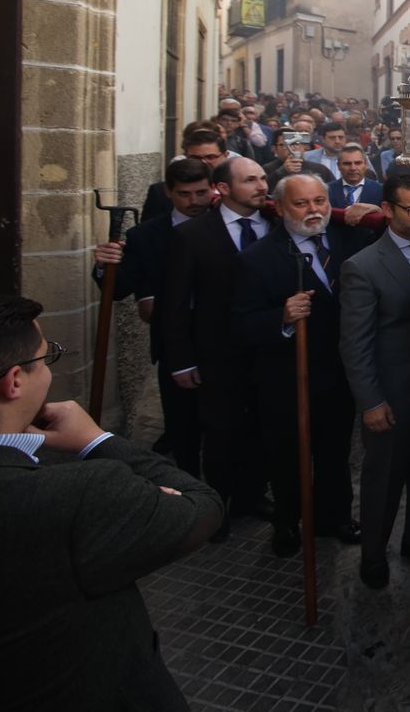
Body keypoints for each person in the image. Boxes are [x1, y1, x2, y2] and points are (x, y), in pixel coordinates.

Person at [0, 294, 223, 711]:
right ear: (14, 382)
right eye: (46, 358)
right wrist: (96, 440)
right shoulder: (80, 494)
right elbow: (202, 507)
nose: (49, 368)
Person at [230, 174, 361, 555]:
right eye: (301, 204)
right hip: (286, 379)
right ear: (280, 208)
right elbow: (239, 326)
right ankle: (287, 521)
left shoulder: (348, 240)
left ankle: (333, 516)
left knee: (335, 452)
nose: (313, 210)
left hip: (337, 373)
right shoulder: (257, 258)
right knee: (286, 455)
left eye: (320, 201)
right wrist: (282, 318)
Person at [340, 174, 410, 589]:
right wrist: (370, 402)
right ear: (387, 210)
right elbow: (355, 344)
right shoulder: (363, 266)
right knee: (383, 480)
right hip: (391, 396)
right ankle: (373, 555)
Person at [161, 156, 273, 538]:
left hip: (267, 351)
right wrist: (180, 361)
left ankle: (252, 495)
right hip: (217, 354)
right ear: (222, 189)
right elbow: (175, 304)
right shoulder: (192, 235)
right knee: (221, 434)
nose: (261, 186)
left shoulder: (277, 225)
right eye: (250, 180)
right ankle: (217, 505)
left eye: (263, 178)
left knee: (261, 429)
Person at [91, 157, 213, 474]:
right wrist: (104, 266)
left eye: (201, 193)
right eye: (185, 194)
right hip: (173, 344)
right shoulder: (146, 236)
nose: (194, 201)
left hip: (223, 340)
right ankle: (189, 484)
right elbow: (119, 289)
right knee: (182, 425)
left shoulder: (225, 225)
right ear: (168, 192)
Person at [328, 143, 383, 208]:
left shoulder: (381, 190)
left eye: (358, 163)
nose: (353, 168)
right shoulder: (327, 190)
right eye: (347, 164)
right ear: (338, 166)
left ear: (366, 165)